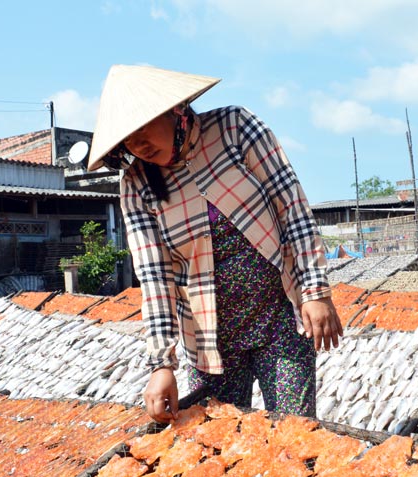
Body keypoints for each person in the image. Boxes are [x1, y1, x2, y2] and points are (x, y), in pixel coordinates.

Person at [88, 64, 342, 424]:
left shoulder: (235, 129)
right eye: (128, 138)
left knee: (294, 434)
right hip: (210, 342)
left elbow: (292, 209)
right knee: (221, 442)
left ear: (175, 111)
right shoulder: (136, 184)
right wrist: (161, 364)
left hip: (280, 322)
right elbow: (155, 279)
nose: (139, 143)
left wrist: (315, 291)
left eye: (143, 126)